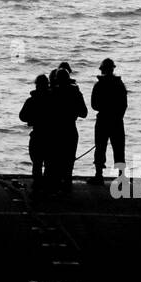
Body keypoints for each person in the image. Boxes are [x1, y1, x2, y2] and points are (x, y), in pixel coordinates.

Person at [50, 63, 88, 194]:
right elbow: (84, 113)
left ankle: (55, 187)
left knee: (56, 161)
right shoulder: (75, 92)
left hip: (56, 130)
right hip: (71, 128)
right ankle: (67, 187)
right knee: (69, 162)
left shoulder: (53, 92)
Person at [90, 58, 128, 181]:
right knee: (119, 150)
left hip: (103, 120)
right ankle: (121, 176)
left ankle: (99, 175)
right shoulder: (119, 84)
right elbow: (124, 105)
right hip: (117, 120)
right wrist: (118, 116)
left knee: (100, 148)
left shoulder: (99, 85)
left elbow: (94, 105)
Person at [19, 73, 53, 196]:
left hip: (38, 133)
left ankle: (37, 185)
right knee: (49, 163)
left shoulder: (32, 100)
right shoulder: (53, 99)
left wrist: (33, 118)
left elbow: (22, 116)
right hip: (50, 134)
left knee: (37, 162)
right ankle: (48, 186)